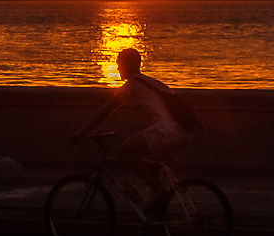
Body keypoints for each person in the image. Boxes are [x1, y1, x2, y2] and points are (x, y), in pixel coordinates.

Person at [74, 47, 201, 207]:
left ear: (127, 65)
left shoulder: (131, 86)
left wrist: (81, 132)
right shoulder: (151, 82)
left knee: (124, 150)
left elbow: (106, 110)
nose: (117, 68)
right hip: (182, 131)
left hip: (169, 132)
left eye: (119, 64)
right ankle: (155, 216)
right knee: (152, 169)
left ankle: (157, 187)